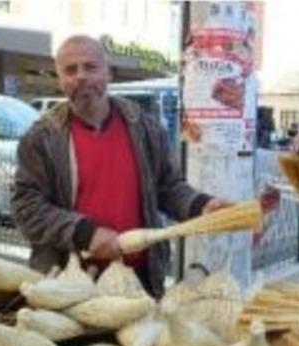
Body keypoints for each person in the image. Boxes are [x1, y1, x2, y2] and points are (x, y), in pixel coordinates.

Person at [12, 34, 230, 297]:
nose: (81, 76)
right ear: (60, 79)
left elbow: (167, 187)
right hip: (70, 285)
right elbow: (26, 207)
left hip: (140, 280)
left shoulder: (144, 128)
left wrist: (200, 205)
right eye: (71, 70)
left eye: (91, 67)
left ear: (108, 73)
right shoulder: (42, 139)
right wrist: (84, 233)